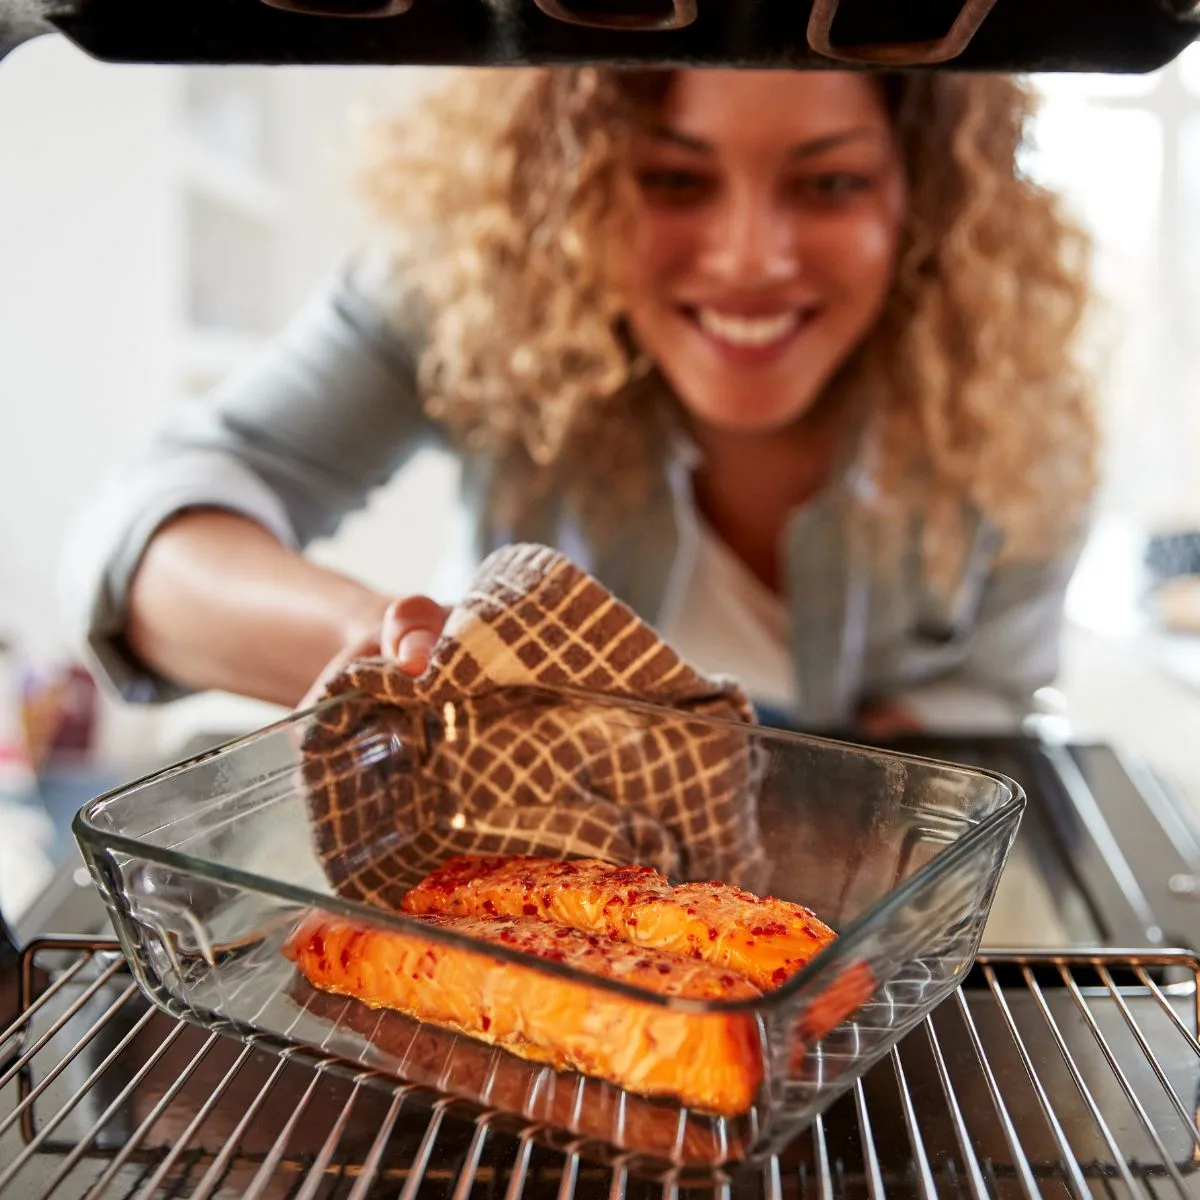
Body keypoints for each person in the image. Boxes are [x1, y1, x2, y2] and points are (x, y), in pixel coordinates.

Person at [61, 68, 1097, 735]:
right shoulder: (469, 298)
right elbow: (139, 538)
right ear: (577, 188)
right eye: (674, 181)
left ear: (919, 199)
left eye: (829, 186)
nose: (750, 258)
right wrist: (395, 652)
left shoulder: (1012, 412)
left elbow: (986, 713)